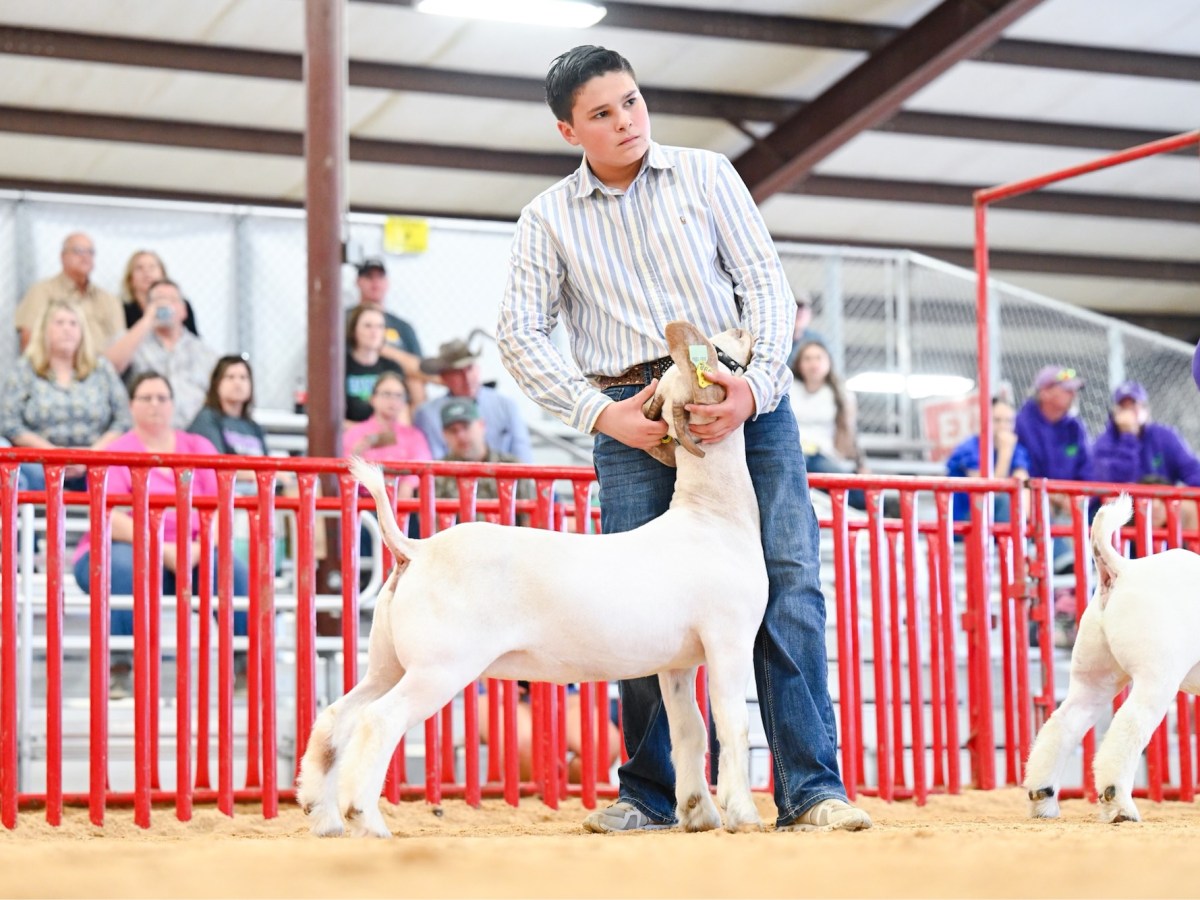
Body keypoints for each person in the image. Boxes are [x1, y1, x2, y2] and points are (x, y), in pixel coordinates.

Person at [497, 45, 870, 833]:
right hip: (631, 412)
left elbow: (766, 283)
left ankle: (811, 789)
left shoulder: (707, 175)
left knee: (789, 578)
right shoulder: (546, 219)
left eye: (631, 101)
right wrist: (604, 415)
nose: (625, 120)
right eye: (602, 113)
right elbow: (520, 337)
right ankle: (650, 794)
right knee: (630, 604)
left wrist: (754, 388)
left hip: (742, 400)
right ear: (570, 130)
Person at [72, 372, 249, 698]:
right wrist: (163, 549)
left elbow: (224, 505)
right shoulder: (117, 450)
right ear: (131, 405)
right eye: (146, 398)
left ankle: (246, 667)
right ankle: (121, 669)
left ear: (172, 405)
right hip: (125, 547)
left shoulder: (199, 447)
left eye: (162, 398)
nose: (155, 405)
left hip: (192, 550)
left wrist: (195, 549)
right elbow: (110, 517)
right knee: (125, 567)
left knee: (232, 570)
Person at [0, 297, 131, 492]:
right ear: (45, 330)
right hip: (39, 463)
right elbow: (9, 423)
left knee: (121, 469)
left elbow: (123, 420)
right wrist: (54, 454)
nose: (67, 329)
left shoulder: (101, 369)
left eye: (73, 323)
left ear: (82, 331)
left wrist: (90, 456)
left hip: (96, 461)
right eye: (59, 323)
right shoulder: (24, 369)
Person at [1015, 364, 1093, 574]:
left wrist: (1075, 497)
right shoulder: (1021, 423)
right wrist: (1050, 495)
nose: (1073, 394)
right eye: (1066, 389)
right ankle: (1066, 567)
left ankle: (1085, 570)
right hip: (1038, 500)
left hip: (1069, 502)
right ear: (1045, 391)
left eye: (1073, 390)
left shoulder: (1075, 427)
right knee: (1038, 508)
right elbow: (1019, 468)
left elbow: (1087, 470)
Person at [107, 278, 217, 427]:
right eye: (158, 300)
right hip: (142, 434)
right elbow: (108, 368)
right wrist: (147, 320)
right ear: (147, 307)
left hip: (193, 435)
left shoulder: (204, 352)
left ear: (184, 310)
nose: (165, 305)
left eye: (172, 300)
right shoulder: (131, 340)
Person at [1092, 380, 1200, 532]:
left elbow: (1192, 470)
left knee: (1191, 507)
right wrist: (1128, 435)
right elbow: (1116, 482)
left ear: (1145, 409)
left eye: (1134, 406)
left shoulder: (1164, 436)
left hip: (1163, 505)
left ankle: (1192, 554)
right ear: (1115, 413)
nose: (1130, 412)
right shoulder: (1104, 443)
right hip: (1128, 508)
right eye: (1124, 407)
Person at [413, 338, 534, 463]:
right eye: (457, 372)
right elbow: (435, 464)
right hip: (451, 480)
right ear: (444, 377)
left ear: (477, 367)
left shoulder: (506, 405)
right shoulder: (427, 414)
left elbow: (524, 457)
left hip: (505, 479)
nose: (467, 378)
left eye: (469, 368)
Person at [14, 232, 124, 354]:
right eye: (78, 251)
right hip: (57, 369)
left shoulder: (109, 299)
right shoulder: (42, 291)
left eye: (90, 252)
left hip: (104, 368)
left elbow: (121, 344)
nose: (85, 256)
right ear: (62, 256)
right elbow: (28, 340)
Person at [789, 338, 866, 509]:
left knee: (860, 493)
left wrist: (861, 464)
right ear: (799, 363)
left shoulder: (840, 394)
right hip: (793, 452)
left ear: (828, 362)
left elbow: (850, 432)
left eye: (818, 358)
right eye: (807, 359)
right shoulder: (789, 388)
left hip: (822, 453)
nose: (813, 363)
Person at [433, 397, 534, 521]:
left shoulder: (512, 466)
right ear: (444, 435)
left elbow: (530, 519)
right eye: (453, 431)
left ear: (481, 425)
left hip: (507, 539)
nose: (461, 435)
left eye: (466, 427)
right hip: (460, 540)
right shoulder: (438, 472)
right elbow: (433, 525)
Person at [341, 371, 432, 504]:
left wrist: (406, 488)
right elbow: (343, 468)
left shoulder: (414, 436)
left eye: (399, 396)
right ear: (373, 398)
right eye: (386, 394)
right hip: (362, 503)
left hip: (402, 502)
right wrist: (356, 452)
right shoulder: (355, 434)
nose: (392, 401)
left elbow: (422, 465)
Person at [349, 258, 427, 407]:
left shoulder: (403, 327)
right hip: (354, 393)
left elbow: (420, 369)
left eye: (380, 277)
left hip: (396, 401)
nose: (375, 283)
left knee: (416, 381)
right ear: (358, 282)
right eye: (369, 277)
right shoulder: (342, 321)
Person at [945, 397, 1030, 525]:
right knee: (1005, 501)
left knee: (1042, 511)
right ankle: (1014, 543)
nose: (1003, 426)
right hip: (966, 520)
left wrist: (1027, 516)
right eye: (997, 420)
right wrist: (1005, 452)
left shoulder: (1017, 450)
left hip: (999, 519)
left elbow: (1023, 484)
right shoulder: (968, 449)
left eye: (1009, 421)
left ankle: (1022, 541)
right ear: (983, 421)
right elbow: (991, 493)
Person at [187, 355, 269, 458]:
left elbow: (267, 464)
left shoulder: (254, 427)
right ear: (217, 384)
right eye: (230, 377)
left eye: (243, 378)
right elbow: (216, 464)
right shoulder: (207, 419)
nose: (237, 383)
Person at [345, 304, 406, 424]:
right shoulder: (340, 367)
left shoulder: (393, 368)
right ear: (353, 330)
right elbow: (332, 419)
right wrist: (364, 433)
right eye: (368, 326)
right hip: (349, 436)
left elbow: (403, 412)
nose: (374, 332)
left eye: (379, 327)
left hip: (386, 436)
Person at [120, 249, 200, 335]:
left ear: (162, 274)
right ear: (130, 278)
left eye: (152, 267)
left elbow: (194, 338)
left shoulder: (180, 305)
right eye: (139, 268)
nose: (146, 272)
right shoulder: (121, 309)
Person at [787, 290, 823, 367]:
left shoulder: (817, 341)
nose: (799, 312)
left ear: (810, 313)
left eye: (803, 307)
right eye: (795, 307)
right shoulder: (777, 338)